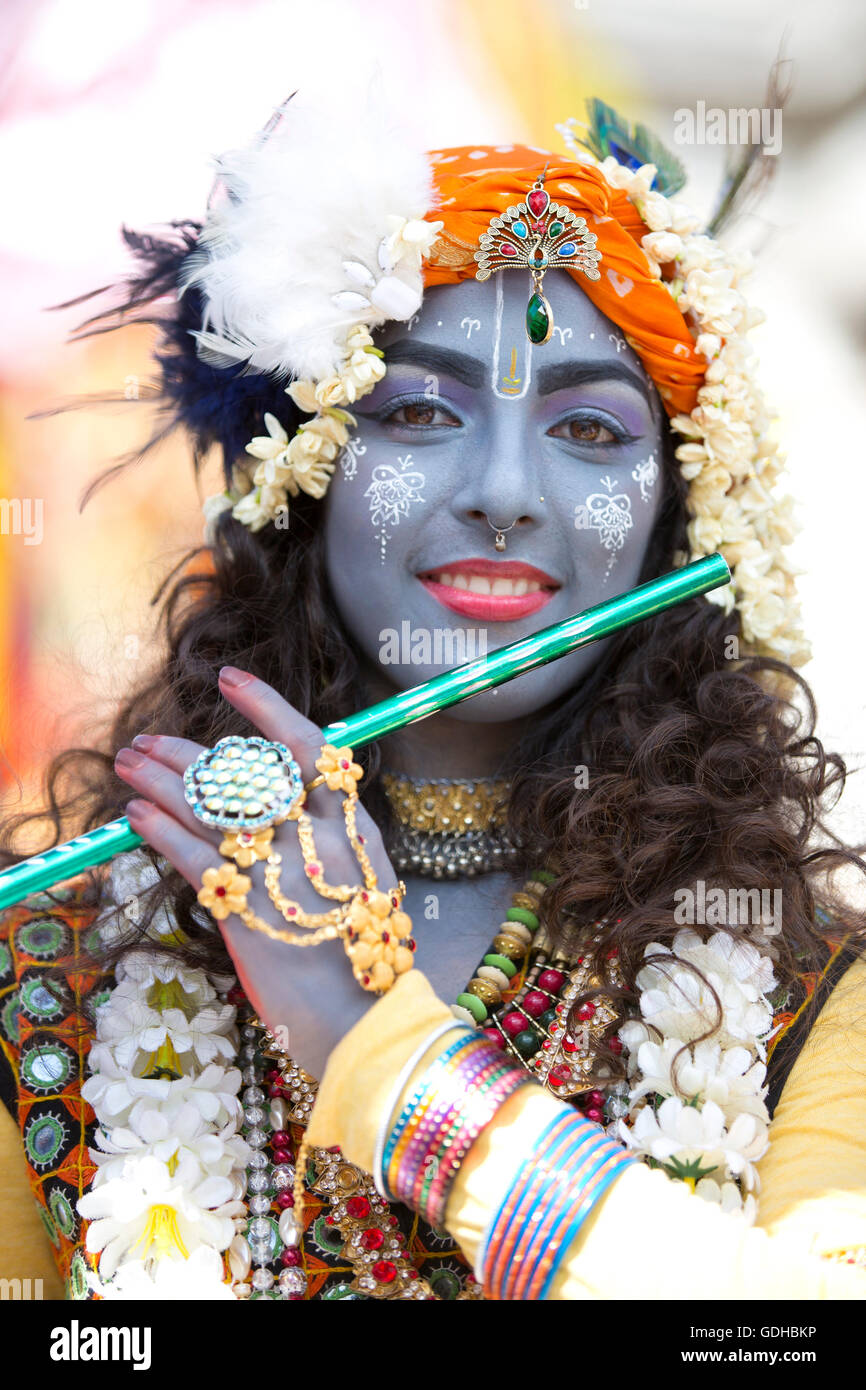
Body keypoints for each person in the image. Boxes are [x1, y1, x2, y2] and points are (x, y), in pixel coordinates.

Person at [1, 89, 864, 1302]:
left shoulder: (805, 984)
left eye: (589, 429)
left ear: (679, 521)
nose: (505, 491)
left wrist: (384, 1052)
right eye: (414, 411)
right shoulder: (53, 972)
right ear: (301, 483)